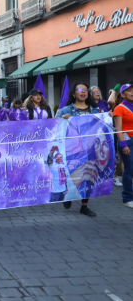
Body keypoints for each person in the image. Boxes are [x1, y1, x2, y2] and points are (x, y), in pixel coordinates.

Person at [56, 82, 99, 217]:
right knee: (72, 173)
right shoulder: (66, 110)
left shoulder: (94, 109)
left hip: (89, 148)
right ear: (73, 94)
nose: (83, 92)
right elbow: (55, 127)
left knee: (87, 175)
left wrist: (108, 116)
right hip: (72, 148)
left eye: (85, 90)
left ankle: (84, 206)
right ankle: (68, 195)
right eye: (80, 90)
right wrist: (62, 120)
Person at [114, 82, 133, 209]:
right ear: (122, 94)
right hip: (126, 141)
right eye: (129, 90)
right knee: (129, 169)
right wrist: (123, 144)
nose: (132, 92)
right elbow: (119, 129)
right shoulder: (119, 108)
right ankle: (127, 198)